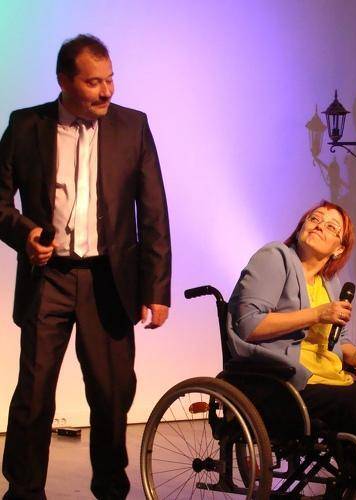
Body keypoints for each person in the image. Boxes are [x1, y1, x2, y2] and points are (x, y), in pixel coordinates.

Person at [0, 34, 171, 500]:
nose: (106, 91)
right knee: (34, 394)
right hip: (48, 278)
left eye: (110, 79)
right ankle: (23, 491)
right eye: (94, 82)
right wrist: (25, 234)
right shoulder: (26, 125)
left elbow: (153, 213)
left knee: (112, 395)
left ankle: (111, 489)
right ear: (64, 81)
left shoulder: (133, 126)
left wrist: (157, 289)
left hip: (108, 281)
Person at [227, 200, 356, 499]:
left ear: (338, 249)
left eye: (332, 227)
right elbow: (249, 325)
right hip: (283, 384)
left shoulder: (328, 282)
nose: (320, 225)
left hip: (326, 381)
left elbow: (339, 340)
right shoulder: (274, 257)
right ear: (301, 227)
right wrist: (317, 314)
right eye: (315, 219)